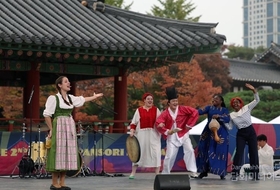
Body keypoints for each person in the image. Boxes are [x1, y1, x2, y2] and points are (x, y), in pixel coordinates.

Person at [43, 76, 103, 190]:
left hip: (69, 126)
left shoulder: (70, 98)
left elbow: (83, 99)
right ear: (59, 85)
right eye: (66, 82)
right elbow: (47, 115)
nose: (69, 83)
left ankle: (63, 182)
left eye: (69, 81)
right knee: (58, 152)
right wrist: (51, 129)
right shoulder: (53, 98)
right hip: (59, 125)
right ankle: (54, 182)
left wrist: (94, 97)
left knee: (68, 152)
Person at [155, 86, 199, 178]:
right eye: (173, 101)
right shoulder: (165, 113)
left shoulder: (183, 109)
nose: (175, 103)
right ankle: (165, 174)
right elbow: (158, 122)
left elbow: (195, 112)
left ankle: (193, 171)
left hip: (183, 134)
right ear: (169, 103)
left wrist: (189, 125)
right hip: (172, 136)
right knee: (169, 156)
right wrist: (164, 128)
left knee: (190, 150)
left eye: (176, 101)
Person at [229, 83, 260, 180]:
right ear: (232, 105)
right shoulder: (231, 115)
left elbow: (257, 100)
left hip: (250, 131)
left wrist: (253, 90)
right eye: (234, 103)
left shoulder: (247, 108)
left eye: (237, 102)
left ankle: (255, 174)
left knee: (253, 152)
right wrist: (220, 121)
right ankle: (235, 174)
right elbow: (229, 127)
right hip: (241, 133)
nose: (236, 104)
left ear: (241, 103)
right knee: (239, 152)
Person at [196, 94, 230, 180]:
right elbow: (199, 112)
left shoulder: (224, 110)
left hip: (221, 132)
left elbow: (227, 119)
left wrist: (219, 117)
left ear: (221, 101)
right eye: (213, 99)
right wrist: (188, 111)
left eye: (217, 99)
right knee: (203, 149)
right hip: (208, 132)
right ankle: (203, 171)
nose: (214, 100)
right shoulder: (209, 108)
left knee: (220, 151)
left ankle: (221, 173)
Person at [128, 93, 162, 179]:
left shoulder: (156, 110)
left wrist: (161, 125)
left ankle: (157, 173)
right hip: (141, 135)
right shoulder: (139, 110)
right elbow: (133, 123)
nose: (150, 100)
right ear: (144, 100)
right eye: (148, 99)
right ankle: (133, 173)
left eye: (151, 99)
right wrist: (132, 131)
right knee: (138, 153)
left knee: (155, 152)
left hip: (153, 134)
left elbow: (160, 121)